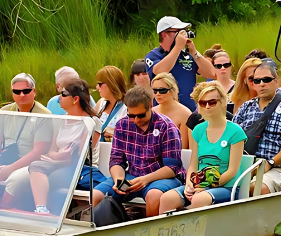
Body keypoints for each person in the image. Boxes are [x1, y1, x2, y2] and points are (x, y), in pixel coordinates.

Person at [91, 86, 184, 217]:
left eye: (140, 115)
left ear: (150, 105)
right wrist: (119, 179)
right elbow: (116, 160)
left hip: (161, 177)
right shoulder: (122, 125)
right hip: (132, 175)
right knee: (96, 195)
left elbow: (172, 168)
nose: (136, 120)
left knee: (154, 195)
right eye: (131, 115)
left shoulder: (167, 126)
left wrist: (145, 180)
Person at [159, 82, 247, 212]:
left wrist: (203, 186)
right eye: (202, 103)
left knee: (199, 199)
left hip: (226, 186)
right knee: (167, 198)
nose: (207, 106)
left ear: (222, 102)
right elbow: (194, 164)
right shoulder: (198, 130)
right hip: (200, 183)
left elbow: (232, 171)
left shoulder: (235, 131)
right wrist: (190, 183)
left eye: (212, 102)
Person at [0, 73, 53, 207]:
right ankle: (0, 206)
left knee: (15, 180)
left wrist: (9, 169)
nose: (21, 95)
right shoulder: (5, 111)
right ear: (12, 93)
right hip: (7, 156)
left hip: (30, 162)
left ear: (34, 92)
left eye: (26, 91)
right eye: (17, 91)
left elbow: (39, 152)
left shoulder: (44, 115)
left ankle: (6, 208)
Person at [27, 78, 104, 214]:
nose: (59, 98)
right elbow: (51, 151)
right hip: (60, 163)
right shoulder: (60, 120)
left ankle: (53, 214)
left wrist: (60, 158)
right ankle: (41, 210)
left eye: (63, 94)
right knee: (35, 166)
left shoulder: (91, 122)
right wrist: (59, 156)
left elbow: (80, 156)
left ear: (75, 99)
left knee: (47, 177)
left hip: (78, 168)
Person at [233, 63, 281, 195]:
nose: (261, 84)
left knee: (256, 188)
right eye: (257, 81)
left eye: (266, 80)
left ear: (276, 81)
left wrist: (270, 163)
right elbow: (231, 139)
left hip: (277, 167)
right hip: (245, 164)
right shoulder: (245, 107)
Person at [146, 16, 216, 111]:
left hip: (190, 110)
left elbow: (212, 73)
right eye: (178, 32)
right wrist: (178, 47)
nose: (182, 35)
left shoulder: (186, 55)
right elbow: (160, 72)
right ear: (164, 34)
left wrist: (194, 53)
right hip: (166, 112)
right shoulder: (154, 55)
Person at [152, 72, 193, 149]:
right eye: (155, 90)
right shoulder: (152, 112)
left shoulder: (185, 114)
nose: (158, 94)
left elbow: (183, 147)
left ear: (172, 90)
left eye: (162, 90)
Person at [93, 66, 128, 141]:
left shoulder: (127, 107)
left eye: (100, 84)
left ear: (111, 84)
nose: (97, 87)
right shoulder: (101, 102)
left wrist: (114, 132)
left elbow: (131, 135)